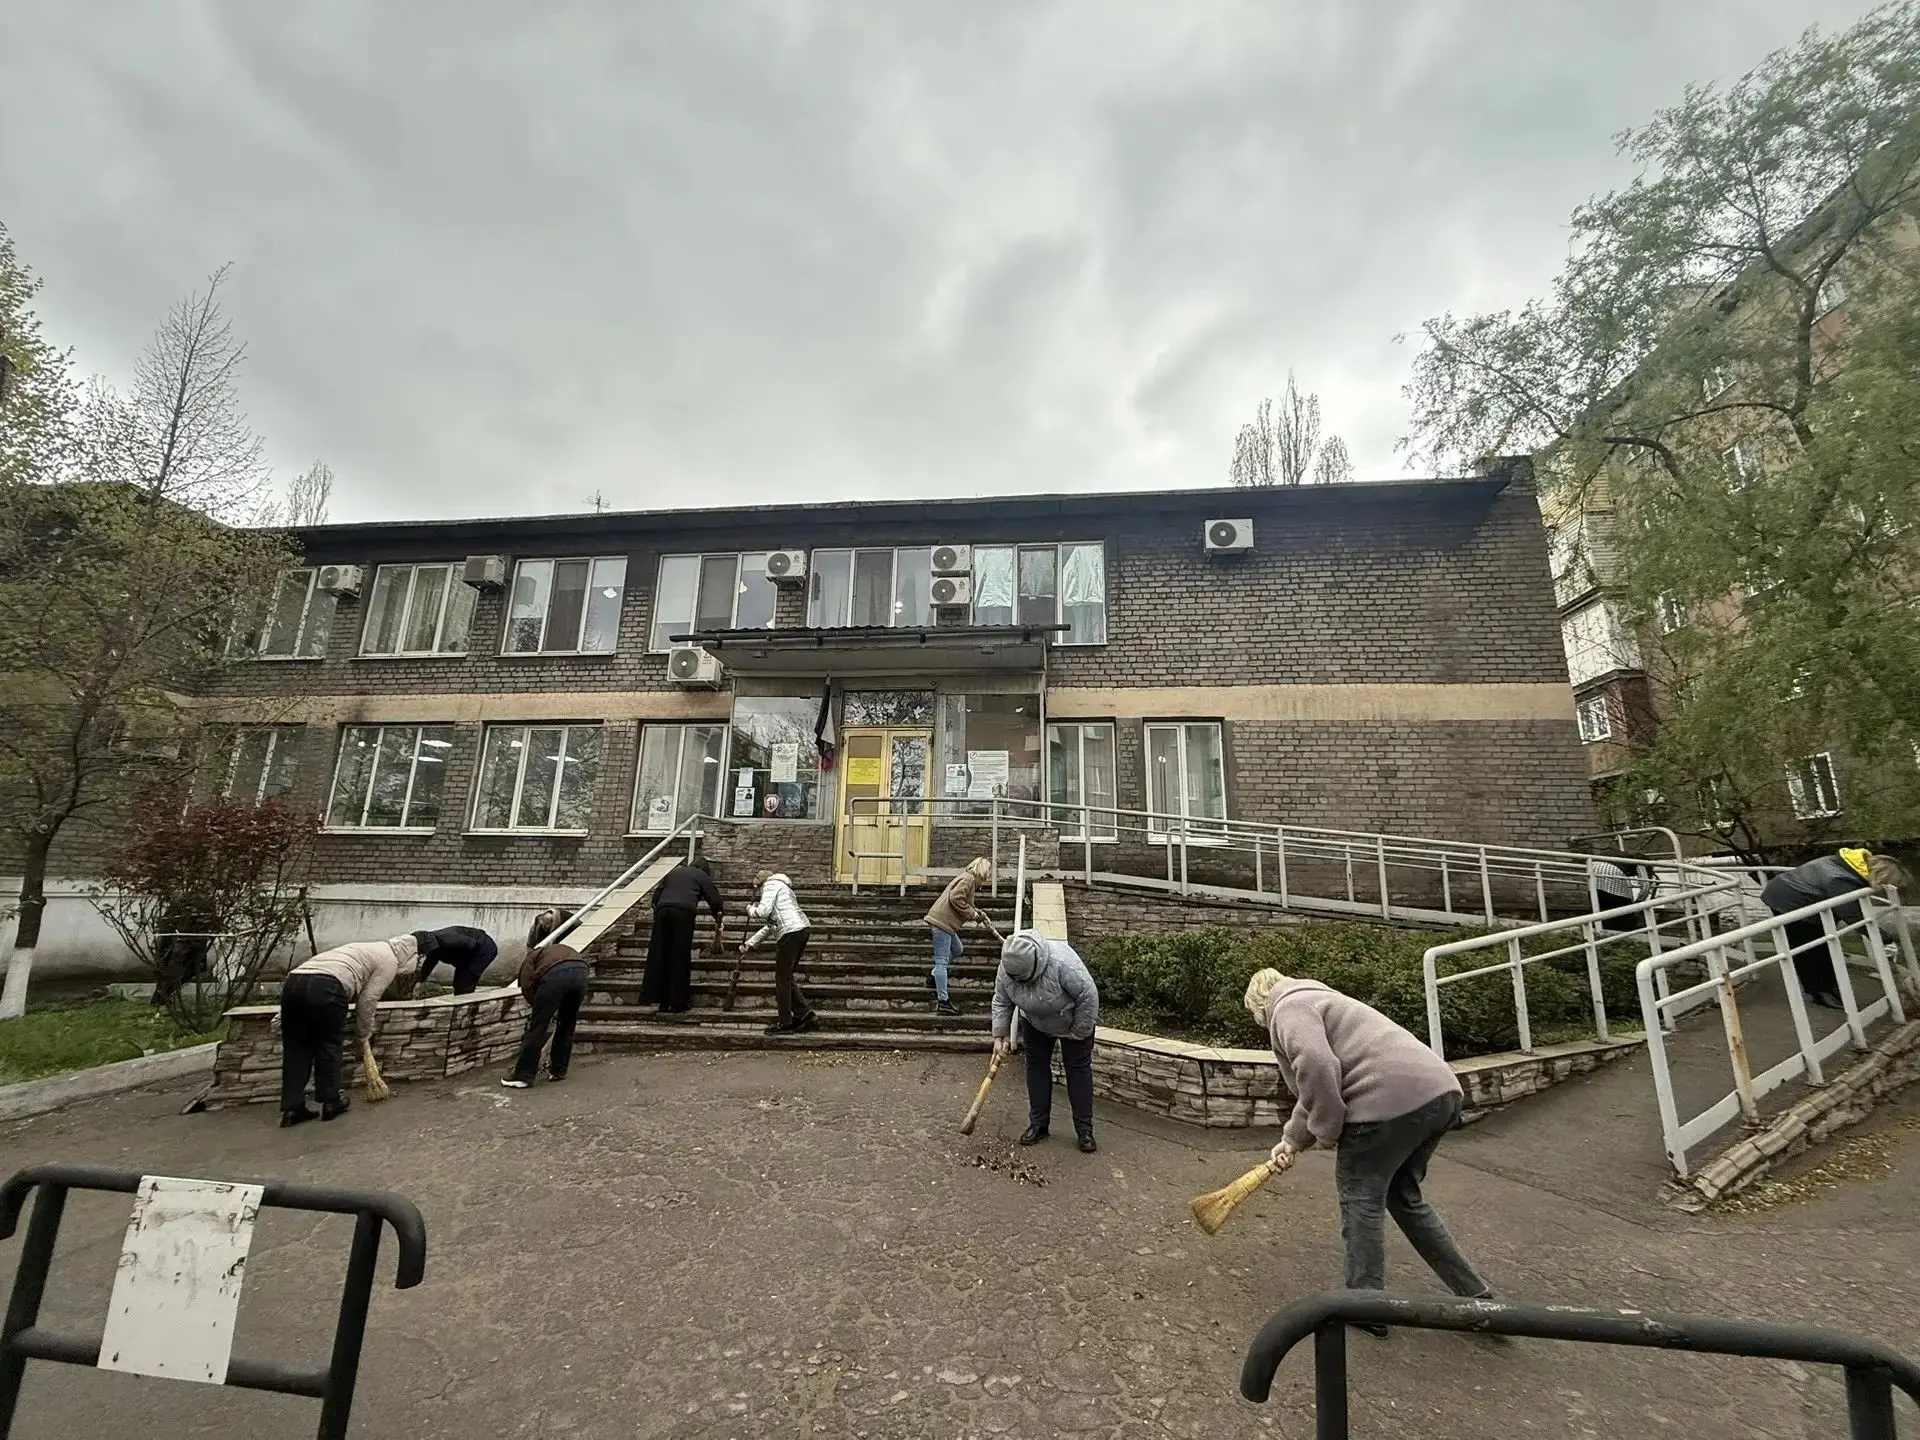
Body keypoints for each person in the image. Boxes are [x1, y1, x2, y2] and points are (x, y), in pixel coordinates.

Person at [1245, 968, 1491, 1332]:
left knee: (1360, 1200)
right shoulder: (1323, 1000)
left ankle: (1366, 1306)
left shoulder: (1287, 1007)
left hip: (1385, 1106)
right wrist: (1293, 1140)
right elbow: (1320, 1084)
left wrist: (1327, 1131)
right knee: (1404, 1198)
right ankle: (1478, 1297)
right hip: (1439, 1095)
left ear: (1258, 1005)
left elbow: (1317, 1066)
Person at [278, 933, 418, 1127]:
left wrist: (280, 1015)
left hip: (294, 982)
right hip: (327, 987)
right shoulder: (391, 960)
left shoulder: (366, 947)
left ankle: (292, 1109)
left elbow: (311, 977)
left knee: (295, 1047)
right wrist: (363, 1035)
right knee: (328, 1044)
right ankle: (331, 1102)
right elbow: (368, 999)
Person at [991, 929, 1101, 1154]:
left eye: (1022, 978)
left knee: (1078, 1071)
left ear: (1035, 965)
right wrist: (1000, 1035)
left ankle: (1084, 1130)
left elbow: (1088, 996)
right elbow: (1001, 1000)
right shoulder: (1008, 966)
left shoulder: (1062, 962)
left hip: (1072, 1022)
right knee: (1036, 1068)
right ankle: (1038, 1124)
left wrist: (1079, 1032)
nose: (1017, 981)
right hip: (1034, 1023)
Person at [1760, 848, 1906, 1010]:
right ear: (1880, 875)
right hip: (1787, 900)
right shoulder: (1840, 879)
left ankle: (1829, 987)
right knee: (1806, 946)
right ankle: (1819, 991)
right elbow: (1851, 914)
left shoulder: (1850, 865)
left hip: (1794, 893)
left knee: (1821, 943)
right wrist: (1884, 938)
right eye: (1886, 883)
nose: (1884, 888)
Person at [502, 910, 591, 1087]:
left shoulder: (532, 956)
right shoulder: (559, 949)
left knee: (538, 1026)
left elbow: (526, 985)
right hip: (581, 972)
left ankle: (523, 1075)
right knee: (567, 1023)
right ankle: (558, 1070)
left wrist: (538, 1007)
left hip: (555, 974)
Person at [643, 855, 724, 1014]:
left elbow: (655, 897)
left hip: (662, 911)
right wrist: (718, 917)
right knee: (680, 955)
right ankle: (678, 1002)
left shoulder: (674, 872)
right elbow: (714, 899)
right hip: (683, 913)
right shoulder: (701, 875)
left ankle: (661, 1000)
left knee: (660, 954)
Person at [741, 872, 816, 1036]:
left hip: (789, 932)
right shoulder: (784, 888)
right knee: (786, 977)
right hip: (802, 929)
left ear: (760, 881)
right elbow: (771, 925)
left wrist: (750, 909)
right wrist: (750, 943)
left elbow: (763, 911)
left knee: (782, 979)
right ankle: (805, 1014)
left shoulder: (770, 885)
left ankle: (785, 1023)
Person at [924, 856, 994, 1016]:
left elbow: (966, 903)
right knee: (942, 962)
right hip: (942, 922)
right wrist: (973, 914)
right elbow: (955, 897)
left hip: (945, 922)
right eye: (986, 876)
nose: (985, 880)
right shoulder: (969, 879)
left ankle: (934, 976)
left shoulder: (968, 879)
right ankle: (943, 1002)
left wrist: (978, 913)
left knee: (957, 949)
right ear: (982, 872)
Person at [413, 924, 499, 995]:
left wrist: (462, 967)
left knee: (463, 985)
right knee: (460, 984)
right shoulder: (434, 947)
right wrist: (420, 981)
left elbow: (471, 944)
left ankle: (468, 1006)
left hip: (484, 949)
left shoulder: (448, 939)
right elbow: (430, 962)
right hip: (470, 955)